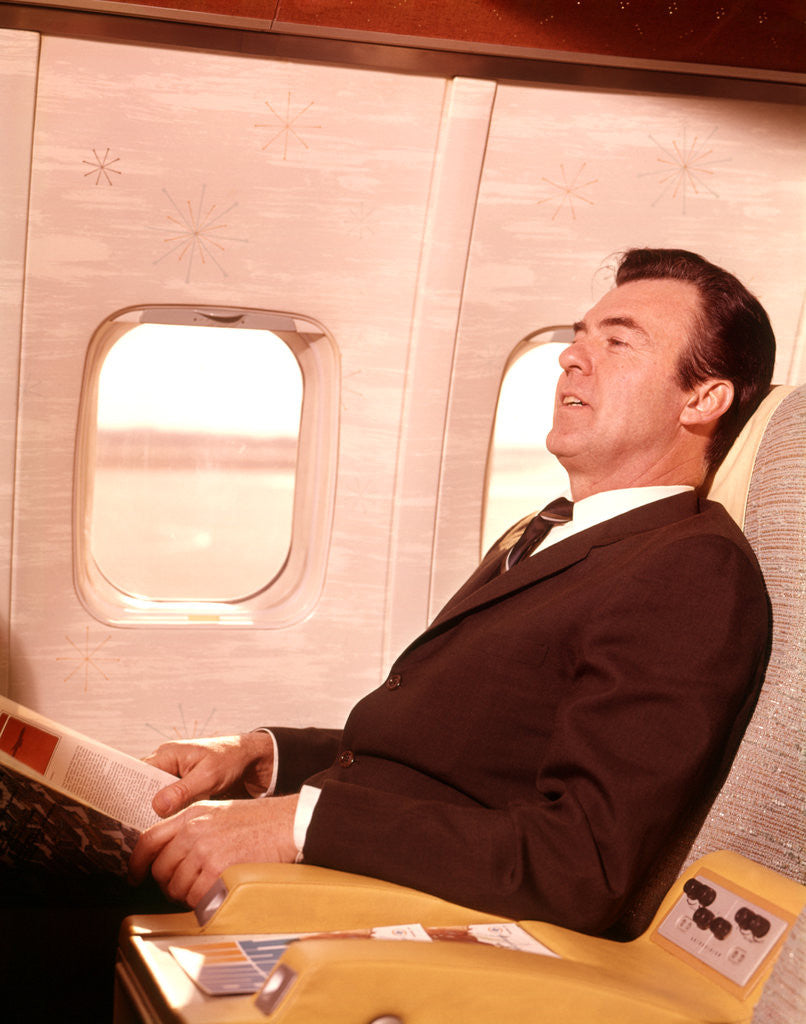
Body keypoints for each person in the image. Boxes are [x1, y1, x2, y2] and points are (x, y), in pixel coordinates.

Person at [129, 248, 776, 935]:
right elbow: (455, 758)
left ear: (703, 399)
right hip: (354, 865)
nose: (571, 358)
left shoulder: (690, 570)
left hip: (389, 910)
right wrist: (263, 758)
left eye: (617, 342)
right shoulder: (546, 532)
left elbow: (579, 864)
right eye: (578, 336)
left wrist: (297, 825)